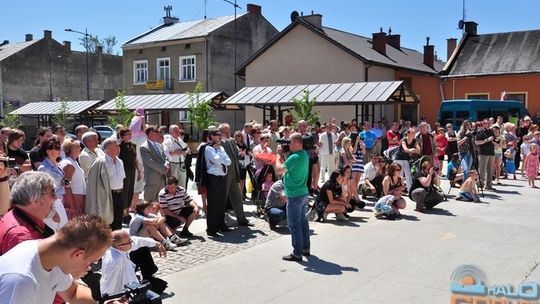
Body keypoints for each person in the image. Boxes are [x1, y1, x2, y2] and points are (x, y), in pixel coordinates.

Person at [0, 214, 118, 304]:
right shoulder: (22, 280)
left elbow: (73, 293)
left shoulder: (54, 257)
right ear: (78, 254)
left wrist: (106, 301)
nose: (89, 267)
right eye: (91, 261)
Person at [100, 229, 168, 297]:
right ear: (120, 247)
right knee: (155, 297)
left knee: (143, 249)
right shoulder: (115, 261)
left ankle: (149, 277)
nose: (132, 241)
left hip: (133, 287)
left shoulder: (119, 248)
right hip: (124, 294)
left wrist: (158, 244)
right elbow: (111, 284)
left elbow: (138, 240)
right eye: (129, 241)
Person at [275, 133, 310, 262]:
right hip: (302, 192)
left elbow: (279, 170)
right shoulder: (304, 154)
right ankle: (305, 248)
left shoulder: (294, 157)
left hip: (294, 195)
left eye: (290, 142)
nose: (288, 144)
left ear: (296, 142)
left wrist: (278, 156)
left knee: (294, 225)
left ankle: (297, 253)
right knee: (303, 222)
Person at [86, 138, 125, 230]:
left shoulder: (120, 161)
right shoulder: (100, 162)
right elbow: (93, 182)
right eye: (116, 146)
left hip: (119, 194)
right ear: (108, 148)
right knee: (107, 220)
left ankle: (117, 242)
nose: (118, 148)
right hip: (107, 195)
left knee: (118, 219)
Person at [200, 128, 231, 237]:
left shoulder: (221, 148)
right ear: (212, 136)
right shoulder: (208, 148)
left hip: (222, 177)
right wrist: (221, 159)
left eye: (220, 135)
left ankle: (221, 224)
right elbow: (216, 159)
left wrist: (220, 159)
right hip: (213, 178)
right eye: (217, 135)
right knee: (213, 204)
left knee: (222, 203)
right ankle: (211, 228)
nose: (219, 137)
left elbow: (228, 161)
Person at [219, 123, 252, 226]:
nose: (228, 133)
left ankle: (242, 219)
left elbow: (236, 155)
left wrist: (241, 155)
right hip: (224, 175)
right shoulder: (218, 143)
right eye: (225, 132)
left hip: (234, 173)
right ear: (221, 133)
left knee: (237, 197)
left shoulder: (232, 141)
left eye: (229, 131)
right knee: (222, 199)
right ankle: (220, 222)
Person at [38, 137, 69, 231]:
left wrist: (64, 182)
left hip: (58, 201)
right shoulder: (44, 168)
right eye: (56, 147)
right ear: (48, 151)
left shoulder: (55, 164)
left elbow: (56, 182)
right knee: (56, 233)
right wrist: (53, 212)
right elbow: (44, 191)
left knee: (64, 232)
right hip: (51, 204)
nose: (59, 150)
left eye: (59, 147)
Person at [140, 126, 169, 202]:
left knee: (160, 201)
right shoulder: (144, 147)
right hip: (152, 179)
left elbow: (164, 157)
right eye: (157, 131)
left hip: (162, 178)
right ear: (151, 133)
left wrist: (167, 163)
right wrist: (163, 169)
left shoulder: (159, 145)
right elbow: (149, 161)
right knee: (149, 201)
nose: (159, 133)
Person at [59, 138, 86, 218]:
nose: (80, 148)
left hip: (78, 196)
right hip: (74, 197)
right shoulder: (69, 164)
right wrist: (71, 203)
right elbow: (65, 184)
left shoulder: (73, 162)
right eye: (78, 147)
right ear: (71, 149)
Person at [117, 127, 140, 222]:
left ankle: (127, 212)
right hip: (123, 171)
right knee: (124, 191)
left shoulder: (133, 145)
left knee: (131, 190)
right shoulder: (119, 146)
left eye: (130, 134)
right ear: (122, 136)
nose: (130, 135)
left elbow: (135, 159)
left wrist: (139, 171)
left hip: (132, 170)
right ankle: (123, 213)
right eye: (127, 134)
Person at [163, 124, 190, 189]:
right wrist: (174, 152)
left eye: (178, 130)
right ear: (170, 132)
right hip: (173, 165)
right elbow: (165, 153)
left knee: (182, 184)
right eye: (176, 130)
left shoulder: (180, 140)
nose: (178, 132)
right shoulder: (167, 141)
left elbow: (187, 151)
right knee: (173, 184)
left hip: (182, 164)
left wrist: (184, 152)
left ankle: (181, 198)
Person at [394, 127, 420, 192]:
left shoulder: (415, 141)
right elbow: (405, 150)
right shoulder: (403, 140)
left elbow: (419, 150)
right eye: (412, 133)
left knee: (408, 174)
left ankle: (410, 190)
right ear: (408, 134)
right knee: (400, 175)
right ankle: (399, 189)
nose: (414, 134)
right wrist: (413, 150)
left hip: (406, 159)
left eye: (414, 133)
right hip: (399, 159)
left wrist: (412, 150)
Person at [475, 119, 496, 190]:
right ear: (483, 124)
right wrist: (487, 140)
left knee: (490, 170)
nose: (489, 124)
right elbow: (477, 142)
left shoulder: (491, 131)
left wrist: (497, 141)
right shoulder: (480, 132)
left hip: (491, 152)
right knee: (482, 170)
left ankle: (488, 185)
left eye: (489, 123)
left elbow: (494, 140)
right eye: (487, 123)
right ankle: (480, 185)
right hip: (483, 153)